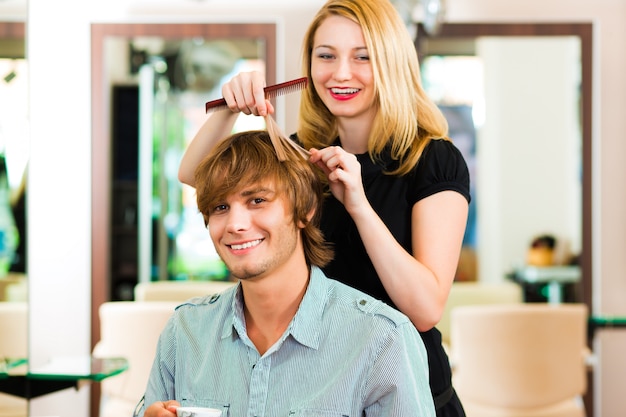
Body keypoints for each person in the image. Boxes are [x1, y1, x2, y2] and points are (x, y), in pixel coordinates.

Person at [178, 0, 470, 414]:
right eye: (326, 56)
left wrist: (358, 205)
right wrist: (227, 111)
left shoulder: (432, 160)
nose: (341, 73)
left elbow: (425, 309)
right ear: (309, 66)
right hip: (324, 389)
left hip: (409, 390)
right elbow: (196, 176)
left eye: (362, 56)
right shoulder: (300, 156)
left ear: (391, 62)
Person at [136, 127, 436, 417]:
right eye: (220, 207)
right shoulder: (185, 332)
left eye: (257, 201)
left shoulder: (381, 340)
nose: (235, 225)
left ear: (305, 210)